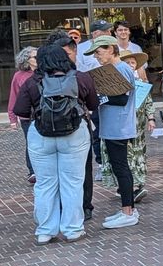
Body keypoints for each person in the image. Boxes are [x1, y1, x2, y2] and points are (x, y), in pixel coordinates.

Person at [13, 43, 98, 243]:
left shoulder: (32, 82)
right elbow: (94, 104)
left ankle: (45, 231)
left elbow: (21, 111)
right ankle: (73, 229)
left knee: (45, 184)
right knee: (73, 183)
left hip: (41, 136)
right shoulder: (81, 78)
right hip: (75, 134)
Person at [86, 35, 140, 230]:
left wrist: (98, 96)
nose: (97, 57)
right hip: (112, 127)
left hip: (119, 127)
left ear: (111, 49)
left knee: (122, 168)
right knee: (119, 168)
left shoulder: (122, 69)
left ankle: (128, 211)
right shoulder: (114, 69)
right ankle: (127, 209)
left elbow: (121, 99)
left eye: (99, 52)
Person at [49, 33, 96, 221]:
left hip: (53, 129)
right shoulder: (80, 77)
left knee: (72, 171)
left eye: (70, 53)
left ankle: (80, 207)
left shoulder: (42, 79)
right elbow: (93, 105)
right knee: (80, 171)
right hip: (77, 128)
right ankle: (82, 208)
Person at [100, 50, 154, 204]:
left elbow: (148, 102)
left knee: (137, 155)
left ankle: (136, 185)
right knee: (125, 158)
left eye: (133, 63)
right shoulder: (115, 79)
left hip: (137, 125)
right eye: (127, 62)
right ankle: (127, 188)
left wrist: (151, 118)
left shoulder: (141, 84)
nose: (130, 65)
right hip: (121, 125)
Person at [8, 46, 38, 184]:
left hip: (41, 114)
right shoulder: (19, 76)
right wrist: (12, 118)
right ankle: (32, 171)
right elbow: (13, 97)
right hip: (27, 116)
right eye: (34, 57)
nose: (37, 59)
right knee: (31, 142)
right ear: (26, 60)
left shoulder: (42, 72)